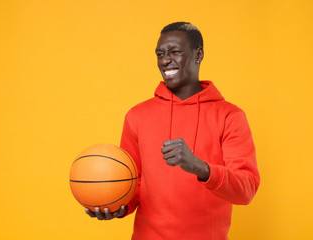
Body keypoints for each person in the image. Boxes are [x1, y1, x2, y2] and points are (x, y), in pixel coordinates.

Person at [85, 22, 260, 240]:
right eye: (160, 54)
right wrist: (119, 205)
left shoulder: (229, 116)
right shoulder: (137, 115)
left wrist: (198, 167)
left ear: (198, 54)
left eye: (175, 52)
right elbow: (133, 182)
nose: (165, 60)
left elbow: (246, 189)